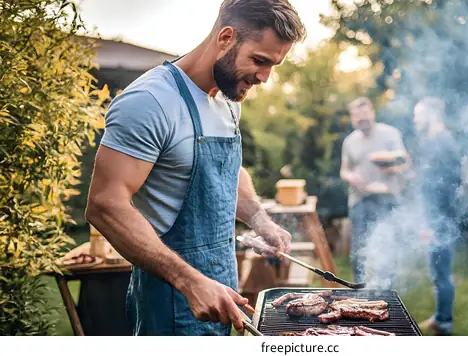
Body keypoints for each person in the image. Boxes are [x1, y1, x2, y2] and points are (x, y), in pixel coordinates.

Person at [85, 0, 306, 336]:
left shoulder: (227, 100)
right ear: (226, 38)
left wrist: (260, 220)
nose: (264, 78)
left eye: (273, 65)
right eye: (260, 61)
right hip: (171, 298)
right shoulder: (150, 101)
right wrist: (190, 283)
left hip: (221, 292)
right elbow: (105, 205)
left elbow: (227, 171)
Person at [340, 96, 411, 283]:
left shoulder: (390, 134)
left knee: (387, 244)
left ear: (372, 113)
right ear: (352, 118)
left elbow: (404, 160)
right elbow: (344, 170)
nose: (362, 119)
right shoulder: (350, 141)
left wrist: (392, 167)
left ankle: (386, 289)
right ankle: (360, 288)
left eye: (365, 114)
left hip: (387, 197)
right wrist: (351, 177)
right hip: (360, 199)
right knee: (358, 248)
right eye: (357, 116)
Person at [412, 97, 462, 336]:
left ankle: (445, 324)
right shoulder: (432, 141)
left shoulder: (443, 142)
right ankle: (441, 316)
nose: (415, 119)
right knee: (437, 271)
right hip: (435, 218)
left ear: (432, 114)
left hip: (441, 219)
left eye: (418, 114)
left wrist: (432, 223)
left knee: (441, 272)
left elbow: (446, 188)